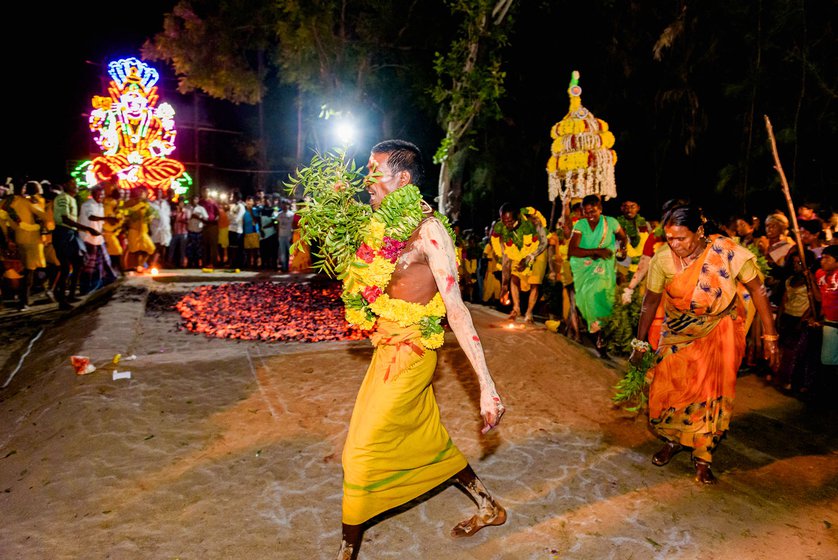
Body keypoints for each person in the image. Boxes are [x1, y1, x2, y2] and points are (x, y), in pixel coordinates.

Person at [335, 140, 506, 560]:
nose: (366, 181)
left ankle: (346, 551)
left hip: (413, 352)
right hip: (385, 347)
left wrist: (487, 386)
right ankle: (489, 505)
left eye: (374, 172)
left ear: (403, 179)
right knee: (425, 437)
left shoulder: (430, 232)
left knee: (360, 450)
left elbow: (457, 310)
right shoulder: (380, 222)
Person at [629, 203, 780, 484]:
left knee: (709, 394)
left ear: (698, 231)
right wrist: (640, 343)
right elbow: (649, 304)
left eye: (681, 238)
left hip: (718, 333)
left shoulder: (726, 252)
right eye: (669, 238)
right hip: (677, 335)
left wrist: (770, 336)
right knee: (671, 389)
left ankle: (703, 456)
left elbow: (758, 289)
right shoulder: (662, 259)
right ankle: (673, 441)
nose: (674, 244)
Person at [567, 194, 628, 356]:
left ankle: (601, 335)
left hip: (605, 266)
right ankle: (598, 333)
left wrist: (623, 249)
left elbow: (623, 237)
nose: (590, 216)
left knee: (603, 297)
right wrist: (596, 251)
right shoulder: (580, 224)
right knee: (588, 296)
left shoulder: (611, 223)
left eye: (593, 212)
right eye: (586, 212)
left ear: (600, 209)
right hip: (584, 266)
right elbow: (572, 250)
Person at [491, 204, 549, 324]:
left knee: (534, 282)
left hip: (538, 251)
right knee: (514, 276)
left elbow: (544, 242)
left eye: (510, 221)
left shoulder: (532, 221)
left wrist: (529, 257)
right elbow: (506, 259)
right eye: (504, 221)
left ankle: (529, 313)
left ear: (517, 217)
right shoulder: (502, 230)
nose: (507, 224)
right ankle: (516, 308)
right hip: (519, 252)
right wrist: (504, 286)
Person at [53, 179, 98, 309]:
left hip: (71, 233)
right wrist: (87, 228)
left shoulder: (71, 198)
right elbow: (65, 219)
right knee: (66, 267)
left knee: (79, 263)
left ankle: (71, 295)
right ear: (66, 184)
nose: (76, 186)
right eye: (73, 183)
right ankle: (62, 300)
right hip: (63, 234)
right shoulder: (62, 198)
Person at [6, 181, 47, 310]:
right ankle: (24, 301)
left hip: (20, 238)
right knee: (30, 271)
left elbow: (10, 218)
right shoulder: (33, 201)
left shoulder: (16, 201)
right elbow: (43, 215)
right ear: (36, 190)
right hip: (32, 240)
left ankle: (27, 296)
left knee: (29, 270)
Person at [78, 184, 118, 294]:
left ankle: (106, 283)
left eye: (103, 194)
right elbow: (91, 217)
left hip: (98, 239)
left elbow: (99, 222)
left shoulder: (100, 205)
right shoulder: (88, 205)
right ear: (93, 194)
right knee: (89, 267)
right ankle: (85, 289)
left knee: (105, 262)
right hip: (88, 239)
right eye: (99, 194)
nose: (101, 196)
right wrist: (107, 218)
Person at [149, 187, 172, 268]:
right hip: (156, 228)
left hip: (165, 228)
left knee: (164, 246)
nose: (159, 194)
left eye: (160, 192)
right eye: (157, 192)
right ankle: (153, 263)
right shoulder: (151, 204)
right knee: (156, 246)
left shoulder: (165, 203)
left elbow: (168, 215)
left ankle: (162, 263)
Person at [276, 198, 295, 273]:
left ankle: (291, 267)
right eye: (283, 205)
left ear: (288, 205)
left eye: (286, 205)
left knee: (290, 252)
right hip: (281, 236)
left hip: (289, 236)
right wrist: (278, 235)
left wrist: (292, 236)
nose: (284, 206)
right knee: (283, 253)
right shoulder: (279, 214)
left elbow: (293, 226)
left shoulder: (292, 214)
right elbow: (277, 225)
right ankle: (284, 267)